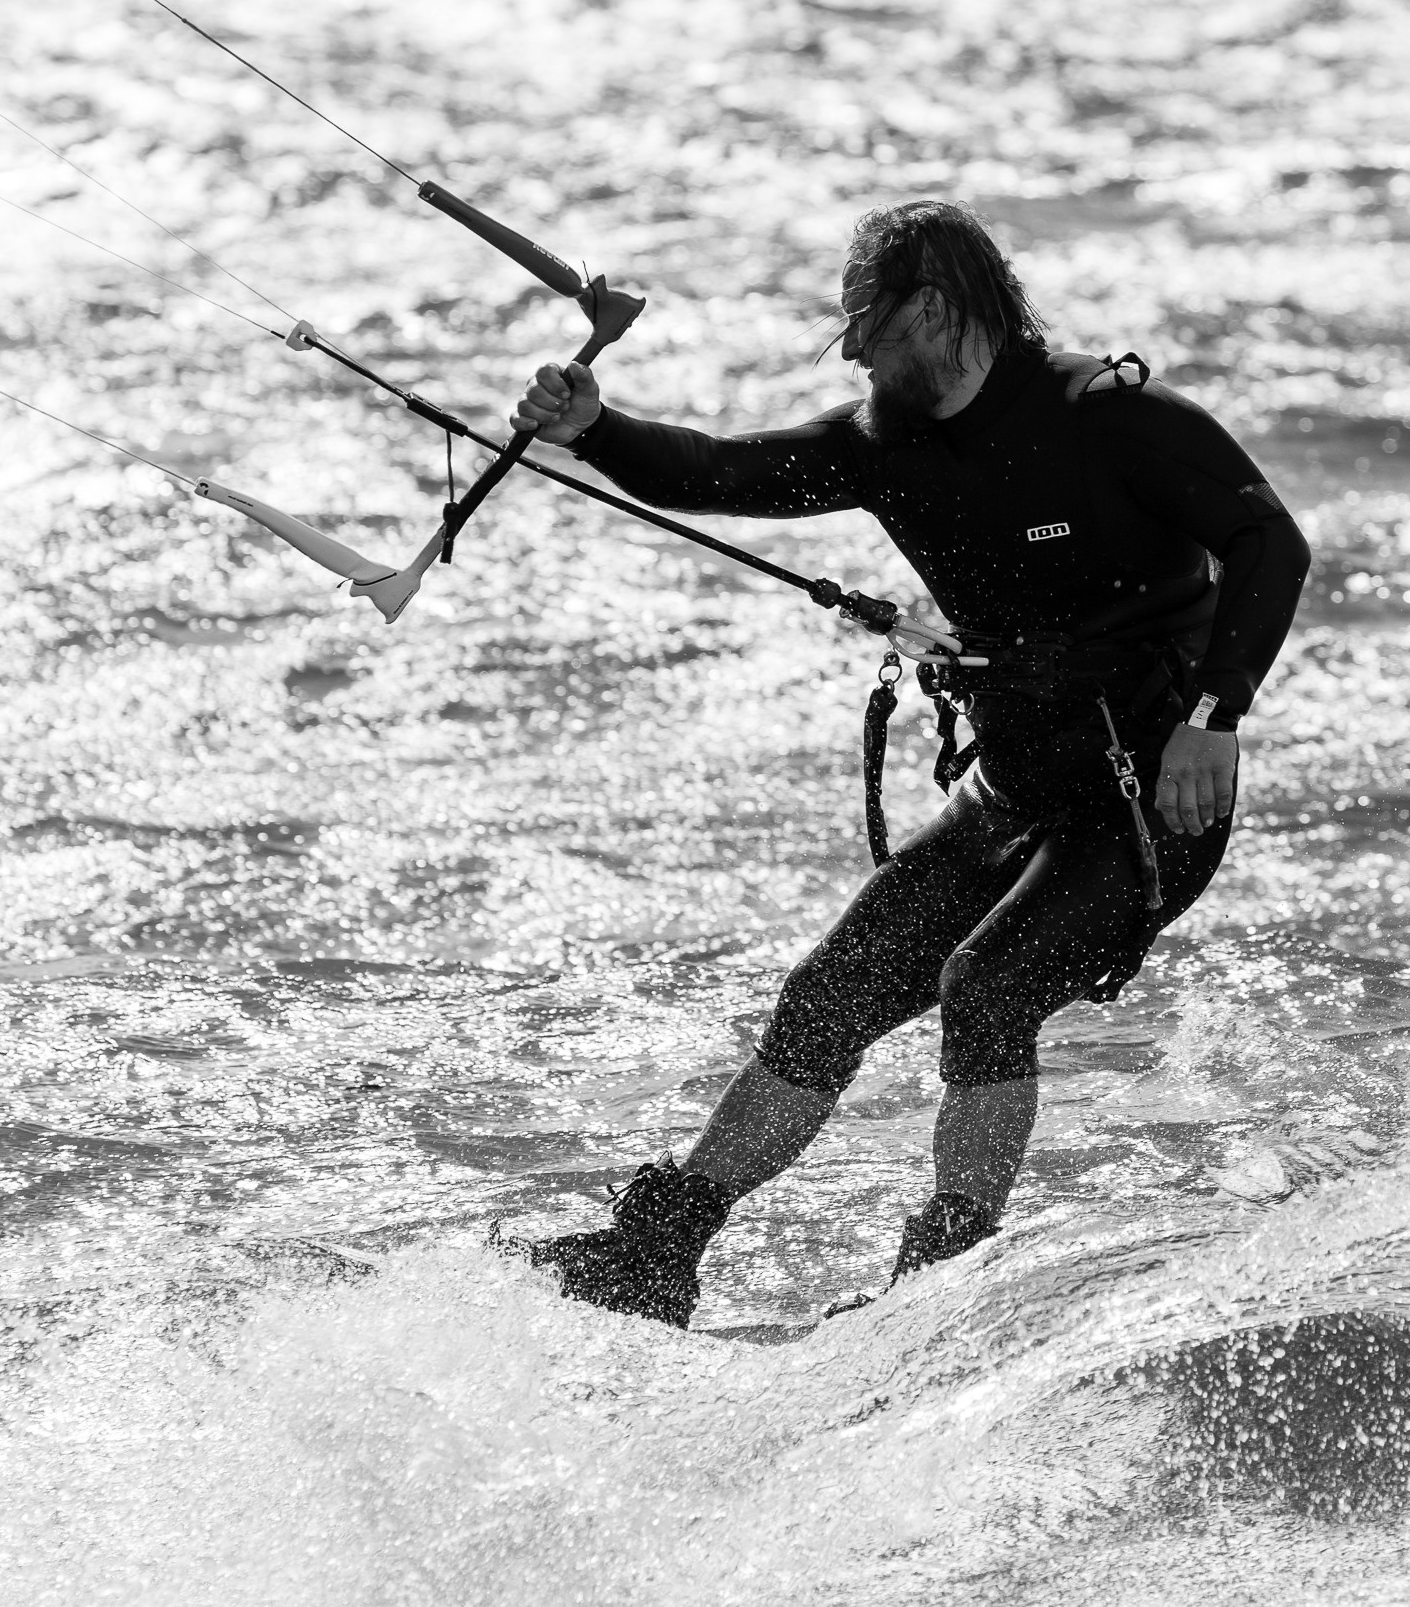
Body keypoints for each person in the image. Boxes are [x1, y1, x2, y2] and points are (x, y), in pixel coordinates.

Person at [506, 201, 1311, 1327]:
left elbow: (1269, 542)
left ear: (933, 307)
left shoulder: (1110, 418)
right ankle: (655, 1254)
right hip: (1013, 788)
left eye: (863, 323)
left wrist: (1214, 717)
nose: (849, 351)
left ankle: (945, 1284)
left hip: (1144, 806)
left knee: (984, 988)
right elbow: (721, 474)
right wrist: (594, 426)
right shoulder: (883, 442)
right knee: (827, 995)